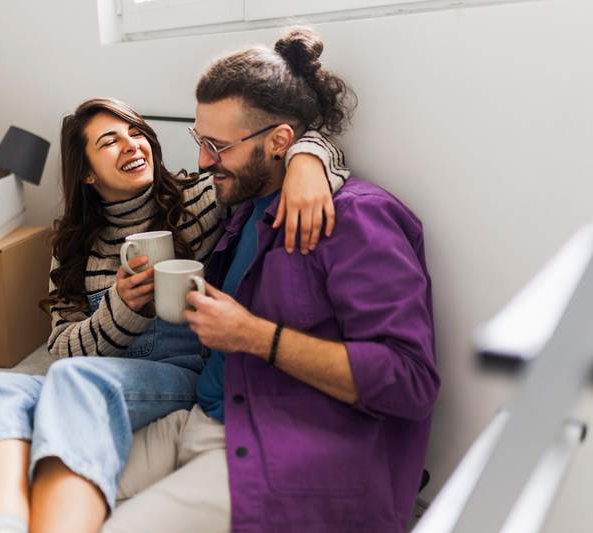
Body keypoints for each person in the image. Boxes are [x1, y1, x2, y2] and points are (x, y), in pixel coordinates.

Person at [0, 96, 350, 533]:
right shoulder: (74, 247)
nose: (132, 145)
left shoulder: (203, 197)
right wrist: (123, 309)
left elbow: (288, 147)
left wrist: (307, 162)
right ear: (88, 172)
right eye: (110, 142)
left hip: (182, 376)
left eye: (136, 132)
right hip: (103, 381)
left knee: (73, 382)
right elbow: (61, 347)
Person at [95, 27, 440, 533]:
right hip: (206, 417)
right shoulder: (241, 210)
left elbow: (409, 381)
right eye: (199, 140)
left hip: (287, 449)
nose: (202, 161)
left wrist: (254, 337)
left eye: (216, 146)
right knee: (48, 488)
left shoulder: (359, 220)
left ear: (279, 141)